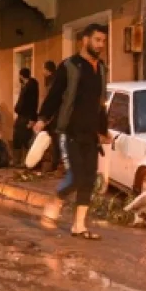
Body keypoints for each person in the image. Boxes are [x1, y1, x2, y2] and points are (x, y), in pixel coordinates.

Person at [34, 24, 111, 239]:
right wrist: (42, 118)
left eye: (103, 41)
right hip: (70, 131)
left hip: (91, 133)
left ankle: (79, 226)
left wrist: (103, 130)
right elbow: (55, 95)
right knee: (76, 176)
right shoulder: (69, 66)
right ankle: (57, 200)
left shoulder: (102, 68)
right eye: (97, 40)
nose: (101, 45)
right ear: (84, 40)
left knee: (88, 179)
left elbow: (101, 102)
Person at [13, 67, 40, 166]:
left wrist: (32, 119)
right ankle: (18, 160)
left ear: (21, 76)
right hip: (22, 115)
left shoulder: (31, 87)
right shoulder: (26, 86)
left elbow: (33, 104)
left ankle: (25, 161)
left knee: (24, 137)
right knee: (18, 136)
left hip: (26, 116)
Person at [42, 60, 61, 172]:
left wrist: (48, 117)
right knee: (54, 140)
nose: (42, 71)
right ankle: (54, 163)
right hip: (54, 116)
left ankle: (55, 164)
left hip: (55, 117)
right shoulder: (51, 81)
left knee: (56, 140)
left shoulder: (53, 82)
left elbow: (52, 100)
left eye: (43, 68)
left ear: (47, 70)